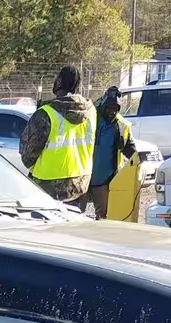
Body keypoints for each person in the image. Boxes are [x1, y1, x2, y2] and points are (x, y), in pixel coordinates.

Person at [18, 66, 95, 203]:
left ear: (59, 82)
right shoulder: (91, 112)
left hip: (48, 186)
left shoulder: (46, 114)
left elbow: (28, 156)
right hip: (80, 184)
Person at [84, 86, 139, 219]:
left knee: (103, 216)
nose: (112, 112)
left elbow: (129, 147)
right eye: (109, 108)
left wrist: (137, 160)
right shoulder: (90, 119)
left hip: (103, 178)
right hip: (81, 176)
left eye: (115, 109)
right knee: (72, 213)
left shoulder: (121, 125)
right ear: (103, 105)